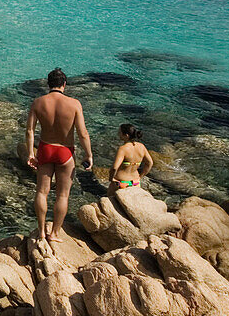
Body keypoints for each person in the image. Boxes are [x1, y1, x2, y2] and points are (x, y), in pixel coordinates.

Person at [26, 68, 93, 243]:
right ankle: (54, 233)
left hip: (45, 149)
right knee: (62, 195)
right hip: (65, 151)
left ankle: (41, 231)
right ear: (64, 84)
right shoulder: (74, 104)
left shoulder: (38, 102)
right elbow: (83, 133)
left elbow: (29, 131)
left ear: (48, 84)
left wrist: (30, 154)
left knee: (41, 192)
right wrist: (88, 155)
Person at [109, 124, 153, 194]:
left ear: (126, 135)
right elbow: (150, 163)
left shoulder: (123, 149)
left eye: (120, 132)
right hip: (135, 183)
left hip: (121, 183)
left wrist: (111, 179)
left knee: (110, 202)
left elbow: (114, 168)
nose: (118, 134)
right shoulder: (142, 147)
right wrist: (141, 176)